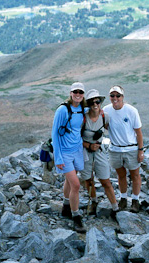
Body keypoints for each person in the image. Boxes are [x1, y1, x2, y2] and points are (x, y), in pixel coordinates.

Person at [52, 82, 87, 233]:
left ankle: (66, 207)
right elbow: (54, 133)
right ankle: (76, 217)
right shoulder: (62, 110)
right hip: (65, 153)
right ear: (71, 93)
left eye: (80, 92)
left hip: (77, 150)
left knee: (69, 180)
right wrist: (58, 158)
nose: (78, 94)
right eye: (75, 92)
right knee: (76, 185)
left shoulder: (82, 109)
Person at [103, 85, 144, 213]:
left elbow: (138, 132)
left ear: (122, 97)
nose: (115, 98)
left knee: (135, 175)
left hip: (131, 148)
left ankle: (136, 200)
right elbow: (105, 126)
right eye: (112, 96)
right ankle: (123, 198)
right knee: (121, 175)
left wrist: (140, 150)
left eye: (118, 96)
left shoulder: (131, 111)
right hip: (115, 149)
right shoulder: (106, 110)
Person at [79, 89, 119, 218]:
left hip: (100, 151)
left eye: (97, 101)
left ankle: (115, 208)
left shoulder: (104, 116)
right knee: (89, 180)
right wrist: (88, 145)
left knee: (105, 180)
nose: (95, 104)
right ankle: (94, 202)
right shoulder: (82, 119)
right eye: (92, 102)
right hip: (85, 152)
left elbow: (108, 128)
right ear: (88, 104)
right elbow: (75, 139)